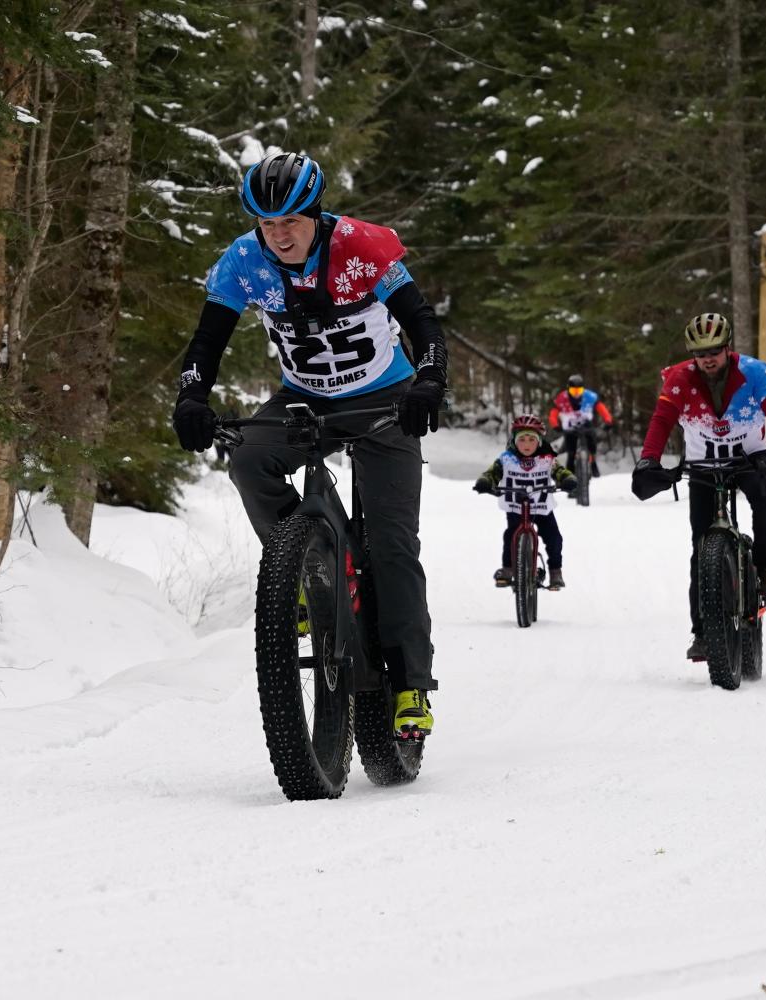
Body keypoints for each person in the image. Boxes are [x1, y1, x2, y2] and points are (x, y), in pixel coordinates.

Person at [170, 152, 446, 741]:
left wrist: (429, 381)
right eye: (268, 224)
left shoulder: (363, 247)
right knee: (248, 458)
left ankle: (411, 686)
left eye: (291, 221)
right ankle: (303, 566)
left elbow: (422, 324)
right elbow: (206, 343)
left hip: (386, 401)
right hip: (306, 399)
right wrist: (191, 398)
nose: (279, 235)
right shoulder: (243, 262)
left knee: (393, 545)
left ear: (315, 215)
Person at [630, 313, 766, 661]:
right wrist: (648, 460)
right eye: (700, 353)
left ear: (727, 348)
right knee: (701, 546)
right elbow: (661, 421)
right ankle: (702, 633)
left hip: (750, 457)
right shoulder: (679, 380)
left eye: (714, 350)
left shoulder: (754, 373)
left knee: (765, 499)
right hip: (703, 465)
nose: (707, 358)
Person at [473, 414, 578, 590]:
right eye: (522, 440)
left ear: (539, 441)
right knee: (511, 536)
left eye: (531, 439)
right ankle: (508, 569)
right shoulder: (506, 459)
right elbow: (491, 473)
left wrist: (567, 480)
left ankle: (555, 571)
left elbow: (560, 471)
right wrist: (485, 482)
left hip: (541, 507)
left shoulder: (547, 459)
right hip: (516, 506)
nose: (527, 444)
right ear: (514, 441)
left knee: (554, 537)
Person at [548, 374, 614, 478]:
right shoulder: (562, 397)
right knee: (571, 452)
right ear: (568, 389)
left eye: (579, 391)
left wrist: (608, 420)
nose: (576, 394)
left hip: (586, 423)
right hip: (569, 425)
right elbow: (554, 412)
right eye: (574, 391)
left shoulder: (590, 396)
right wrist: (555, 425)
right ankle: (569, 475)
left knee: (592, 443)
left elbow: (601, 408)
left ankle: (593, 463)